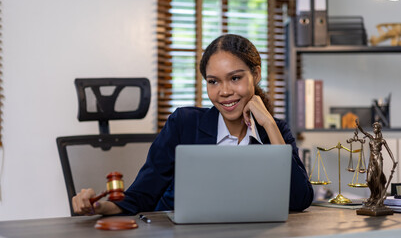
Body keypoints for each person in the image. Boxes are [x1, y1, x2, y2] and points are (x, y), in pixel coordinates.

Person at [72, 34, 314, 216]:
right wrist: (99, 206)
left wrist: (269, 125)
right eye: (213, 82)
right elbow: (142, 195)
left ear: (256, 74)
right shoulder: (184, 124)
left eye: (235, 78)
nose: (225, 92)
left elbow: (299, 199)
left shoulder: (276, 131)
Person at [356, 120, 397, 207]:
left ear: (379, 129)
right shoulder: (371, 137)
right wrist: (358, 126)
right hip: (371, 159)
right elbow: (363, 132)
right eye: (373, 127)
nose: (374, 129)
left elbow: (389, 151)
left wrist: (393, 161)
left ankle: (378, 198)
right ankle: (372, 196)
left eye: (375, 127)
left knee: (378, 179)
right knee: (369, 180)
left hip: (378, 159)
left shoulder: (382, 140)